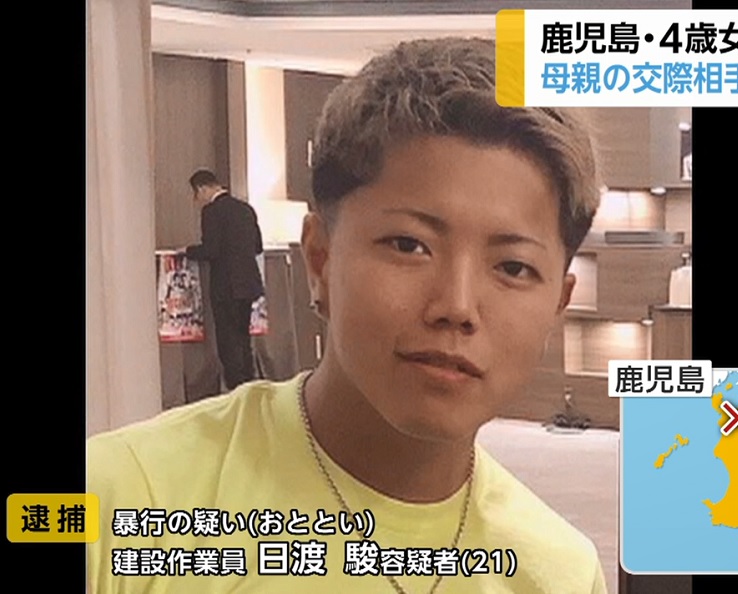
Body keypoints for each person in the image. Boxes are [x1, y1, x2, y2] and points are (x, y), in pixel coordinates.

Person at [88, 37, 604, 593]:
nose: (457, 306)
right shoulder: (117, 500)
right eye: (408, 245)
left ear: (557, 304)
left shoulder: (560, 573)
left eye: (513, 267)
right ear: (320, 259)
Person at [185, 169, 264, 390]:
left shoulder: (211, 212)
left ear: (202, 189)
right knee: (244, 339)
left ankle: (235, 389)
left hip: (225, 285)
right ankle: (249, 386)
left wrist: (188, 251)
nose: (197, 200)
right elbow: (258, 246)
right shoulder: (246, 209)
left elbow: (211, 250)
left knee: (228, 342)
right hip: (247, 284)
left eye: (196, 194)